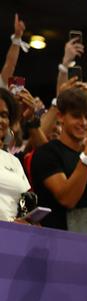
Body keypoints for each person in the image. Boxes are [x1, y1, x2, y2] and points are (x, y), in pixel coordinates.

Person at [28, 85, 87, 229]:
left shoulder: (86, 156)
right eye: (76, 116)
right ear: (60, 116)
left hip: (83, 240)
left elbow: (78, 203)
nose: (84, 123)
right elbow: (67, 199)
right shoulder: (46, 153)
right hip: (50, 241)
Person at [0, 87, 31, 222]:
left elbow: (25, 203)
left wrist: (26, 219)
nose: (1, 120)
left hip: (13, 236)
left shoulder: (14, 162)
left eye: (4, 115)